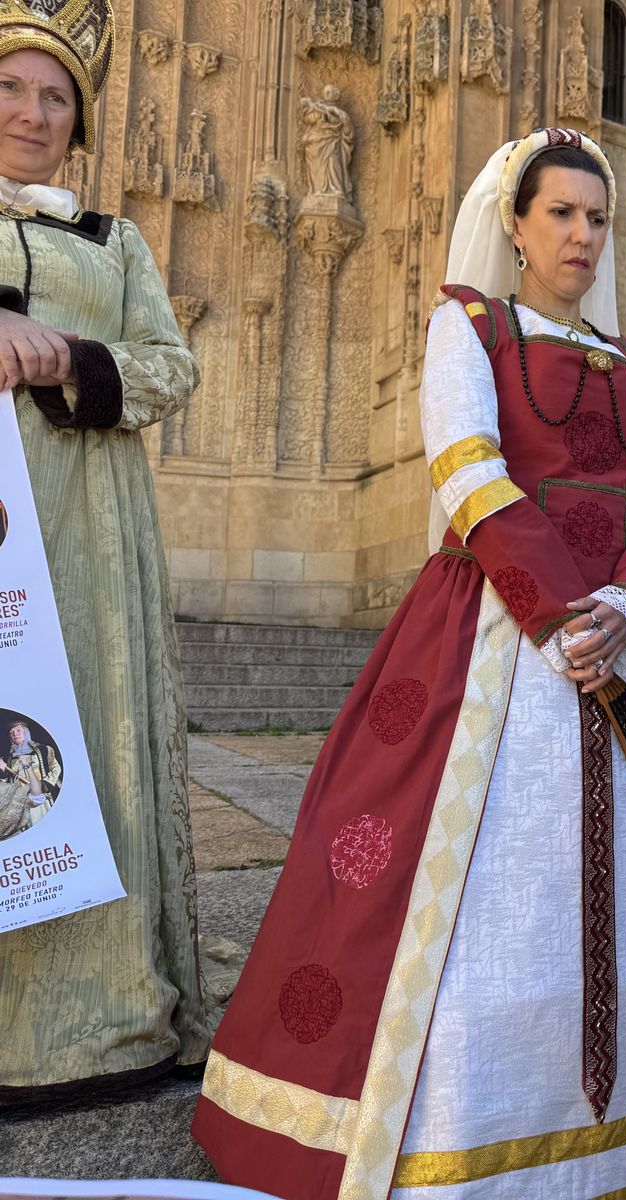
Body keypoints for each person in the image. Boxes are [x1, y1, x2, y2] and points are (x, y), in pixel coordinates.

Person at [195, 129, 626, 1197]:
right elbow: (468, 468)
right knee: (476, 885)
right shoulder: (467, 326)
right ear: (517, 226)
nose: (581, 235)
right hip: (493, 634)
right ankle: (456, 1133)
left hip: (621, 638)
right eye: (561, 214)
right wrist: (558, 615)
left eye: (596, 217)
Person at [0, 0, 207, 1101]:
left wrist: (67, 358)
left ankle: (100, 1021)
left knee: (76, 736)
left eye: (57, 96)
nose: (34, 112)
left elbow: (171, 369)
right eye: (12, 88)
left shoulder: (112, 241)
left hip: (83, 527)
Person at [0, 720, 62, 839]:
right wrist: (3, 772)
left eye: (18, 731)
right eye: (11, 733)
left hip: (41, 799)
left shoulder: (44, 750)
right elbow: (5, 784)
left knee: (46, 832)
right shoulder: (9, 758)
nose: (14, 734)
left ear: (26, 733)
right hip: (21, 802)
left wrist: (44, 785)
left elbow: (56, 768)